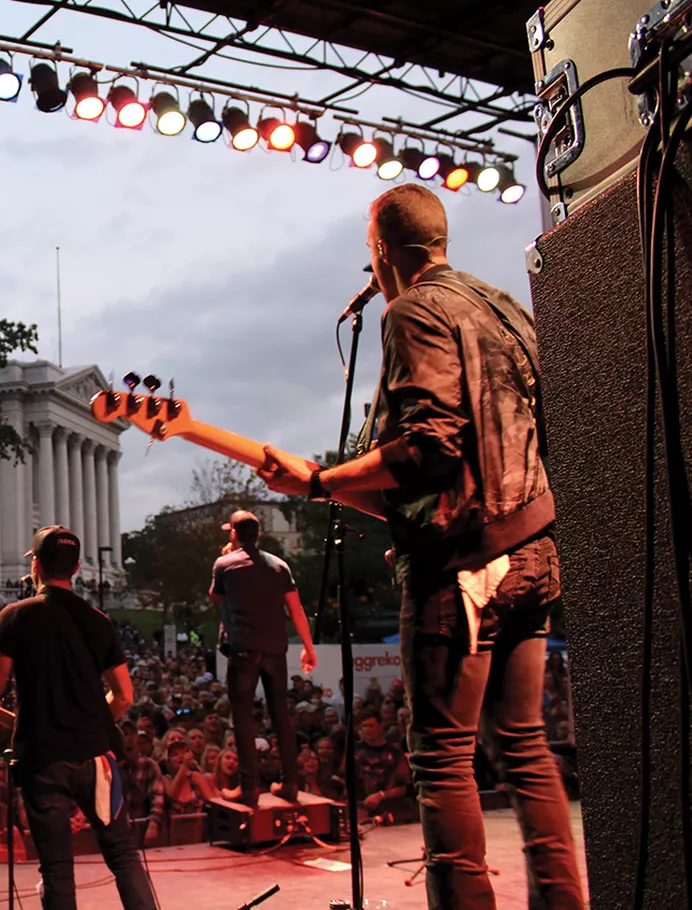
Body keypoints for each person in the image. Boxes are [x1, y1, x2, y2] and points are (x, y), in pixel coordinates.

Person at [257, 183, 585, 909]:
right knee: (526, 748)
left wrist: (321, 480)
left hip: (466, 570)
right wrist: (344, 490)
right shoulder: (505, 308)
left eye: (369, 255)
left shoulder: (413, 312)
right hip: (533, 553)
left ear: (382, 252)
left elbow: (430, 447)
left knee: (442, 757)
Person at [0, 526, 156, 910]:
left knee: (56, 869)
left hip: (44, 759)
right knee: (123, 854)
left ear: (35, 564)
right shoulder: (98, 620)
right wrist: (94, 722)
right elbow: (125, 695)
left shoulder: (16, 617)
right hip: (98, 759)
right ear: (77, 568)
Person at [208, 511, 318, 806]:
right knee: (281, 715)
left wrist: (228, 559)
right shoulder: (280, 566)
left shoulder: (224, 564)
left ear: (233, 533)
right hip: (274, 650)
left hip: (243, 649)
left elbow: (216, 596)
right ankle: (291, 783)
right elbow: (296, 610)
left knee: (243, 719)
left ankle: (249, 789)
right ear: (259, 534)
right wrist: (308, 647)